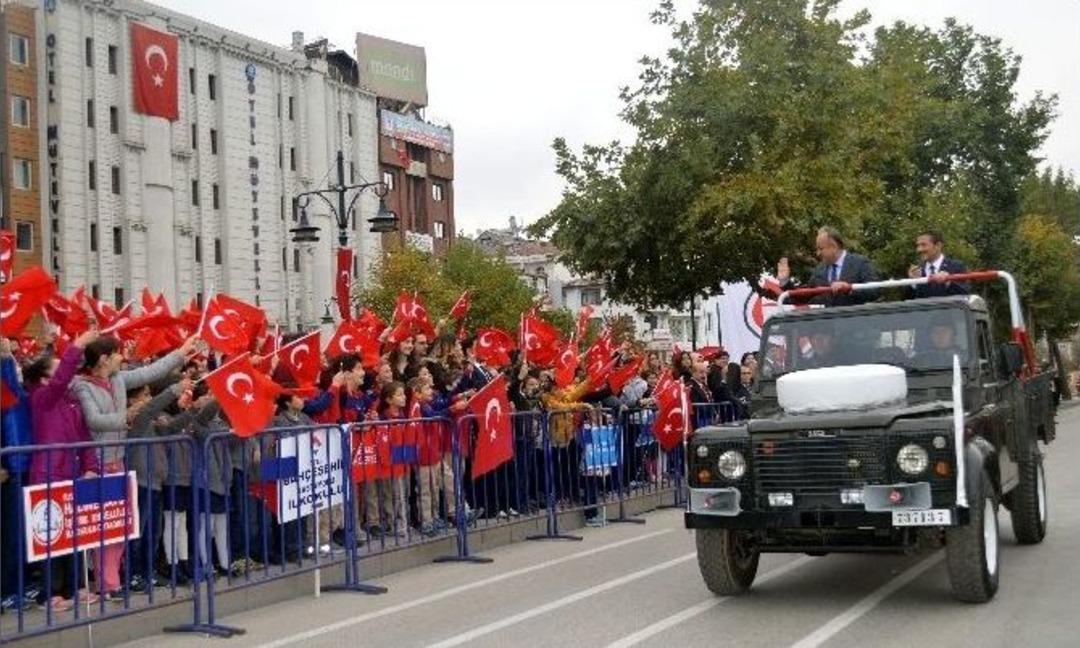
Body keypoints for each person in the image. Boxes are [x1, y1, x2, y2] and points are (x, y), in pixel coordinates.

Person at [71, 334, 197, 599]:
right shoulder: (82, 386)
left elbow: (150, 372)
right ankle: (103, 582)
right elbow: (94, 420)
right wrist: (124, 417)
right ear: (104, 359)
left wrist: (180, 352)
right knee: (101, 528)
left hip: (118, 462)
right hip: (95, 464)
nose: (122, 357)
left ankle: (111, 581)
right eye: (117, 353)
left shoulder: (118, 379)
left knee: (118, 527)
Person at [24, 330, 102, 610]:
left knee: (75, 533)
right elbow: (59, 382)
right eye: (57, 369)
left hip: (74, 473)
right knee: (51, 535)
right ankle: (50, 593)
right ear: (45, 377)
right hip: (48, 474)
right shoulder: (40, 398)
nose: (65, 373)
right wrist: (77, 346)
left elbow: (85, 437)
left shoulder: (70, 401)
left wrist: (92, 466)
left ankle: (76, 586)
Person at [777, 226, 880, 306]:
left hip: (857, 329)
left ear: (834, 247)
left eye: (820, 249)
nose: (818, 253)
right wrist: (785, 282)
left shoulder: (860, 263)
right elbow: (804, 296)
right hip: (828, 330)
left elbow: (875, 291)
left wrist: (849, 288)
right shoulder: (819, 270)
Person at [907, 230, 970, 298]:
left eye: (923, 245)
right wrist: (913, 282)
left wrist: (948, 282)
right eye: (918, 245)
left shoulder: (956, 266)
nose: (919, 249)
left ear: (938, 245)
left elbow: (965, 295)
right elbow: (908, 302)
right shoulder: (916, 271)